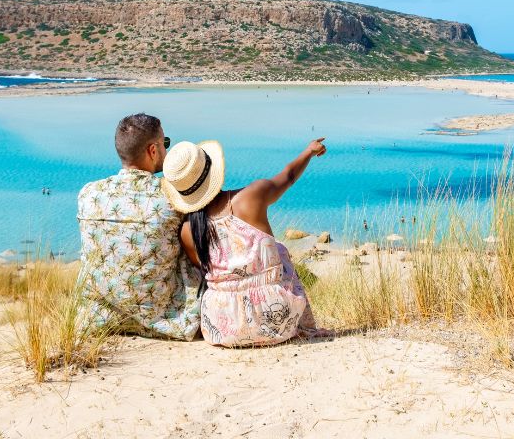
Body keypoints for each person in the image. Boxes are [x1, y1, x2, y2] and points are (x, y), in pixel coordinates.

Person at [161, 138, 333, 347]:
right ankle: (304, 326)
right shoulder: (252, 196)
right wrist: (309, 151)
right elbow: (288, 176)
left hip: (221, 328)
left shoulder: (188, 231)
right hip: (276, 320)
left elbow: (203, 270)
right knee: (279, 249)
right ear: (213, 170)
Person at [75, 113, 201, 340]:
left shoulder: (88, 194)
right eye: (165, 143)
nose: (166, 150)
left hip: (97, 319)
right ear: (153, 150)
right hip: (165, 319)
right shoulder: (171, 196)